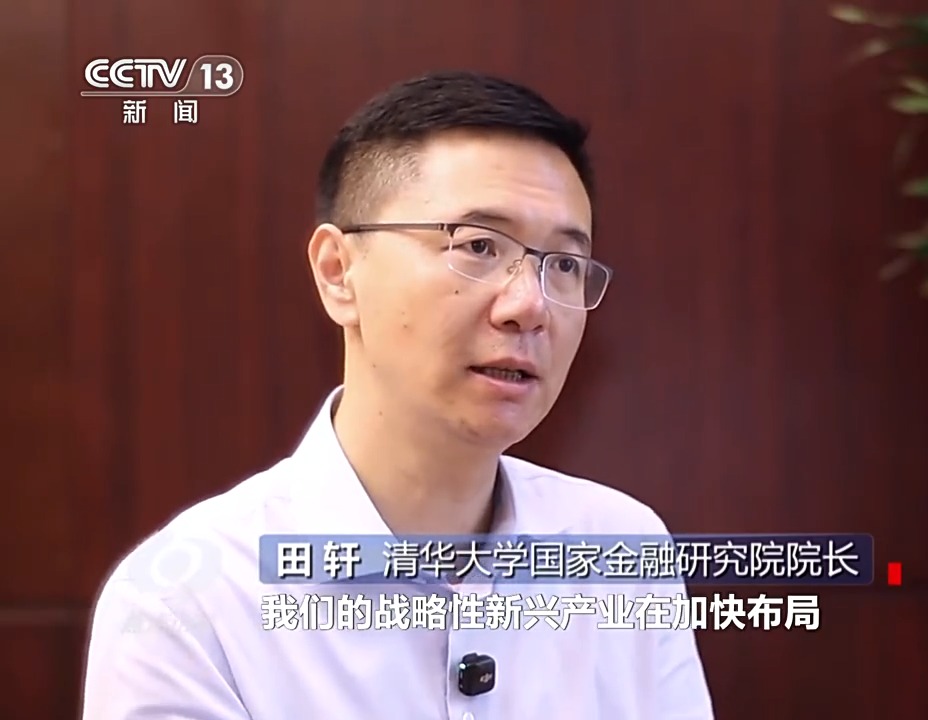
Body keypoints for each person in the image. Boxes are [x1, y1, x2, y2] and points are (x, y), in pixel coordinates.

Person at [81, 70, 715, 719]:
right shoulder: (189, 606)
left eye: (565, 265)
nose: (529, 306)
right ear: (338, 273)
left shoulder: (620, 548)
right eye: (478, 245)